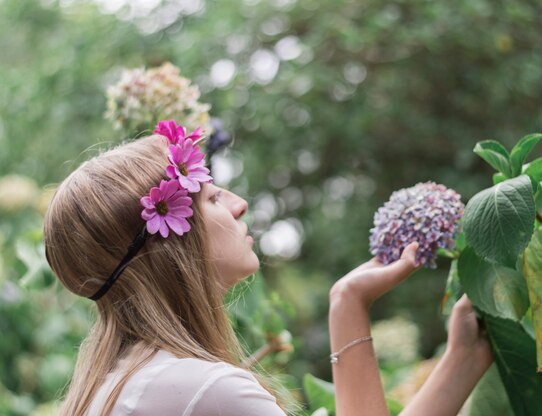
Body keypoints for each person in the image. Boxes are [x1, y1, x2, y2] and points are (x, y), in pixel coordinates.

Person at [43, 120, 492, 416]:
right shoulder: (204, 390)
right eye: (214, 198)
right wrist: (349, 304)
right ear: (171, 235)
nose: (239, 205)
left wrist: (461, 360)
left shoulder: (122, 385)